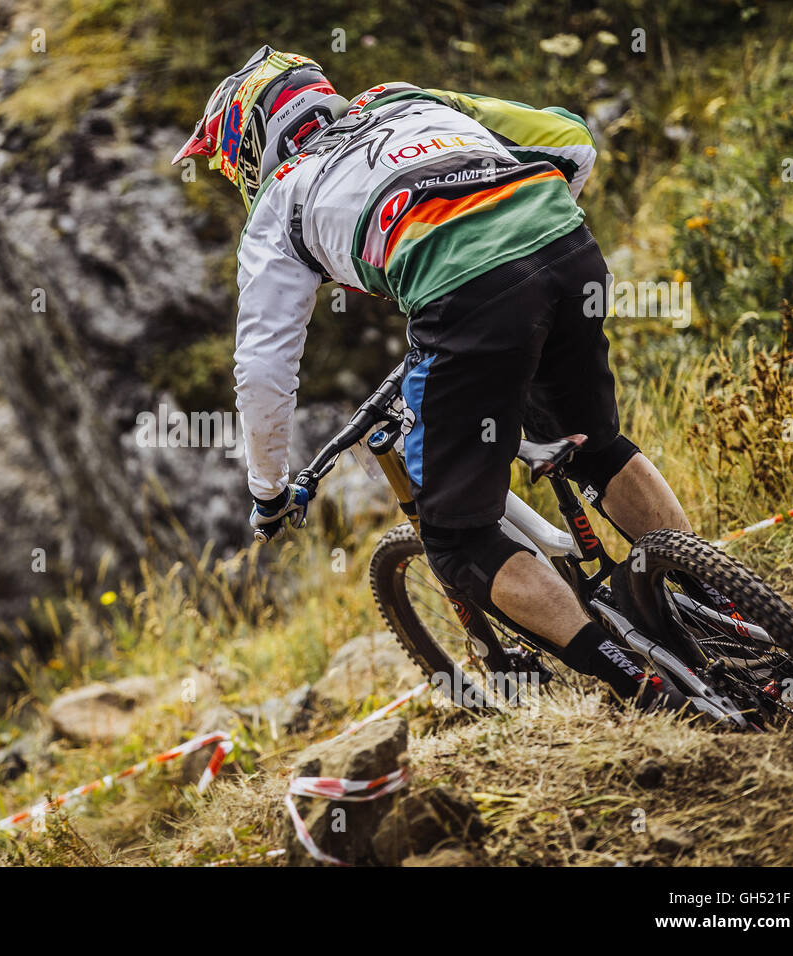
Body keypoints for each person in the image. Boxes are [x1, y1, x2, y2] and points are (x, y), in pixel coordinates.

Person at [172, 46, 692, 709]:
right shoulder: (404, 95)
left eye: (231, 163)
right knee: (597, 444)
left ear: (253, 143)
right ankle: (722, 604)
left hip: (469, 299)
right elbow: (571, 139)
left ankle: (643, 689)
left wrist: (269, 488)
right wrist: (523, 244)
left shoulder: (279, 201)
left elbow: (263, 371)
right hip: (562, 243)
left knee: (457, 537)